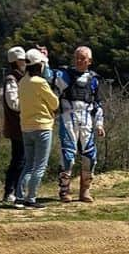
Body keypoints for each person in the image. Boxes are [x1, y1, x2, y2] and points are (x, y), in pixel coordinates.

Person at [53, 46, 104, 203]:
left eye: (83, 58)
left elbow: (98, 104)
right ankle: (64, 190)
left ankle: (85, 191)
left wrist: (99, 124)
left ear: (90, 61)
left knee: (90, 156)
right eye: (77, 57)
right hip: (68, 118)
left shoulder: (94, 80)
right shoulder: (64, 75)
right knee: (68, 155)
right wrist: (43, 58)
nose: (80, 61)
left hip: (87, 120)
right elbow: (47, 75)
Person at [14, 48, 58, 209]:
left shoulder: (22, 83)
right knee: (40, 166)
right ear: (38, 65)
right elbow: (55, 103)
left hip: (26, 127)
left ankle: (19, 196)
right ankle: (30, 199)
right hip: (43, 127)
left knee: (29, 165)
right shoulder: (40, 83)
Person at [1, 46, 26, 205]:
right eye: (22, 59)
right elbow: (13, 103)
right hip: (17, 126)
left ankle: (17, 190)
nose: (25, 62)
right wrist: (29, 105)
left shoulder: (21, 77)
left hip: (23, 125)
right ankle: (10, 191)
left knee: (22, 159)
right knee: (18, 159)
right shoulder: (12, 79)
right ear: (15, 61)